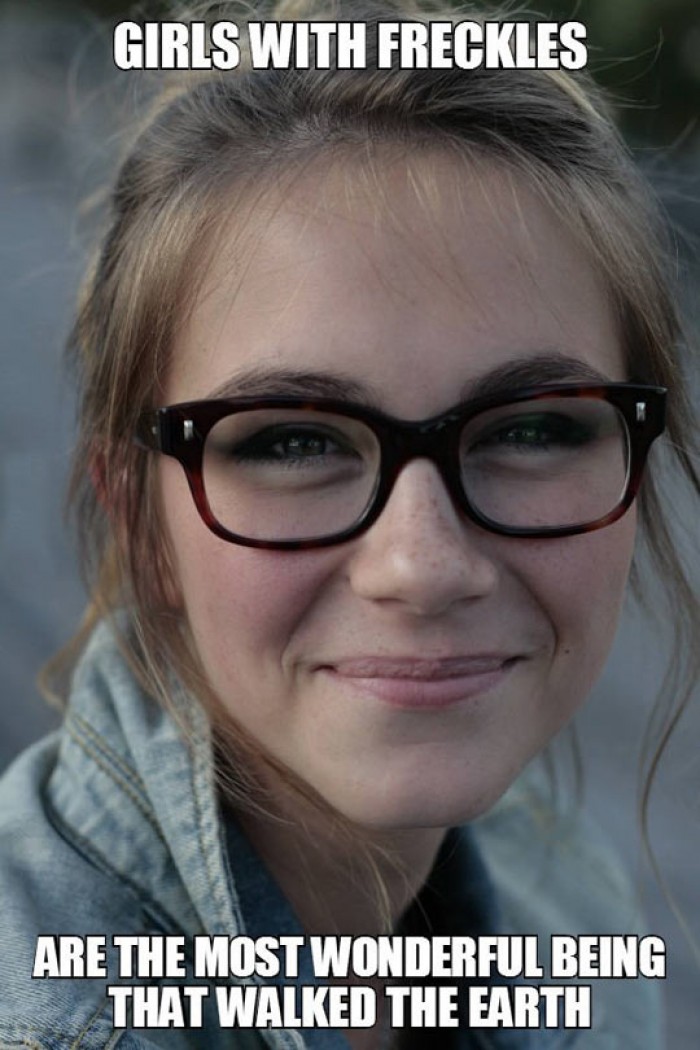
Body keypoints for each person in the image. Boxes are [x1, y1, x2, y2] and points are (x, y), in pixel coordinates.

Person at [0, 1, 697, 1047]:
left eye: (535, 427)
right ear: (139, 523)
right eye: (292, 443)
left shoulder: (560, 904)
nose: (422, 566)